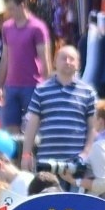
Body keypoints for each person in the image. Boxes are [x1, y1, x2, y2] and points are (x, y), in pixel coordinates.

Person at [21, 46, 96, 176]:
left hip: (76, 163)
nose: (67, 62)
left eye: (72, 59)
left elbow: (93, 127)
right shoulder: (41, 90)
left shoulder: (88, 92)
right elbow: (32, 124)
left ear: (78, 64)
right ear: (55, 62)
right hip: (47, 161)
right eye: (63, 58)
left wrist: (86, 152)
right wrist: (26, 154)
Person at [0, 0, 52, 133]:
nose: (10, 13)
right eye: (8, 9)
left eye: (12, 9)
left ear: (22, 5)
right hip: (11, 85)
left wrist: (47, 87)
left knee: (33, 127)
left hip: (32, 85)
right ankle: (18, 156)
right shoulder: (7, 27)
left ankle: (31, 155)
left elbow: (44, 59)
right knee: (11, 127)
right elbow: (5, 58)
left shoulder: (37, 28)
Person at [60, 98, 105, 197]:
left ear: (101, 121)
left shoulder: (99, 146)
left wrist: (74, 181)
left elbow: (103, 184)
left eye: (95, 116)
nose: (93, 120)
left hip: (100, 208)